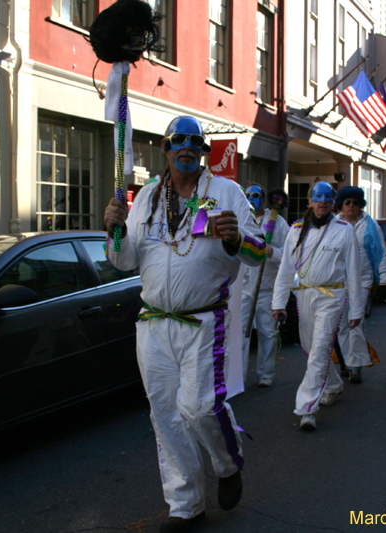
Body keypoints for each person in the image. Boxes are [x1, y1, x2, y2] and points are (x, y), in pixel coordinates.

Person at [103, 115, 268, 533]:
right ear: (166, 147)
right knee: (165, 415)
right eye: (180, 140)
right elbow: (123, 260)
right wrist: (115, 229)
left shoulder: (227, 192)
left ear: (204, 152)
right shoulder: (145, 199)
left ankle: (228, 465)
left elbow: (259, 252)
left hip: (202, 320)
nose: (188, 147)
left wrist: (235, 239)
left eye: (197, 142)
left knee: (198, 408)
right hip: (153, 322)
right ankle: (185, 504)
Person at [271, 181, 363, 431]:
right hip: (305, 295)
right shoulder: (297, 229)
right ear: (310, 201)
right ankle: (333, 385)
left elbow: (354, 272)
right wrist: (279, 302)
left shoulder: (344, 230)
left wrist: (356, 309)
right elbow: (286, 269)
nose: (322, 201)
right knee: (311, 348)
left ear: (332, 202)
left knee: (321, 347)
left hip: (332, 296)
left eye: (327, 197)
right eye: (317, 196)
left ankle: (306, 409)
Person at [334, 186, 386, 383]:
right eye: (347, 202)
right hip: (339, 282)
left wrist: (384, 277)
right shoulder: (335, 224)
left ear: (361, 205)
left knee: (355, 324)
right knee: (341, 326)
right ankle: (345, 362)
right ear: (341, 205)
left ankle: (356, 366)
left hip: (362, 281)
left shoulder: (370, 225)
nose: (351, 206)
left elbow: (380, 252)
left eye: (355, 203)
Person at [241, 184, 289, 387]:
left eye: (256, 195)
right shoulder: (240, 219)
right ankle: (237, 377)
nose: (251, 198)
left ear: (263, 198)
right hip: (242, 289)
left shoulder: (277, 223)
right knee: (239, 333)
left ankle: (266, 373)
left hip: (267, 288)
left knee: (267, 333)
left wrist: (272, 252)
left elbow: (289, 254)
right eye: (248, 195)